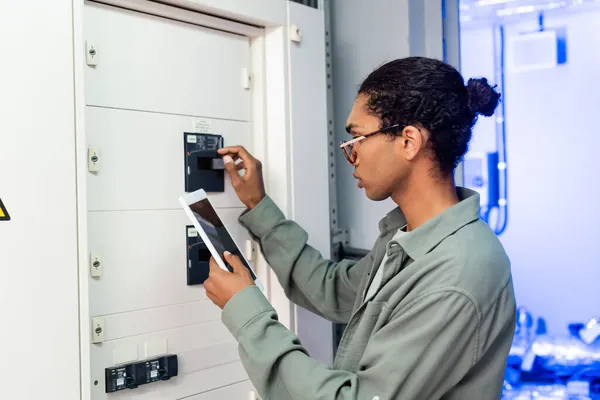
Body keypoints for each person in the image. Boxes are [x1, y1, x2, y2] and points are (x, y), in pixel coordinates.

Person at [203, 56, 517, 400]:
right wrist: (258, 206)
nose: (351, 156)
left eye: (356, 140)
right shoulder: (409, 235)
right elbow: (334, 290)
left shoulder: (458, 273)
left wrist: (247, 313)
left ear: (409, 141)